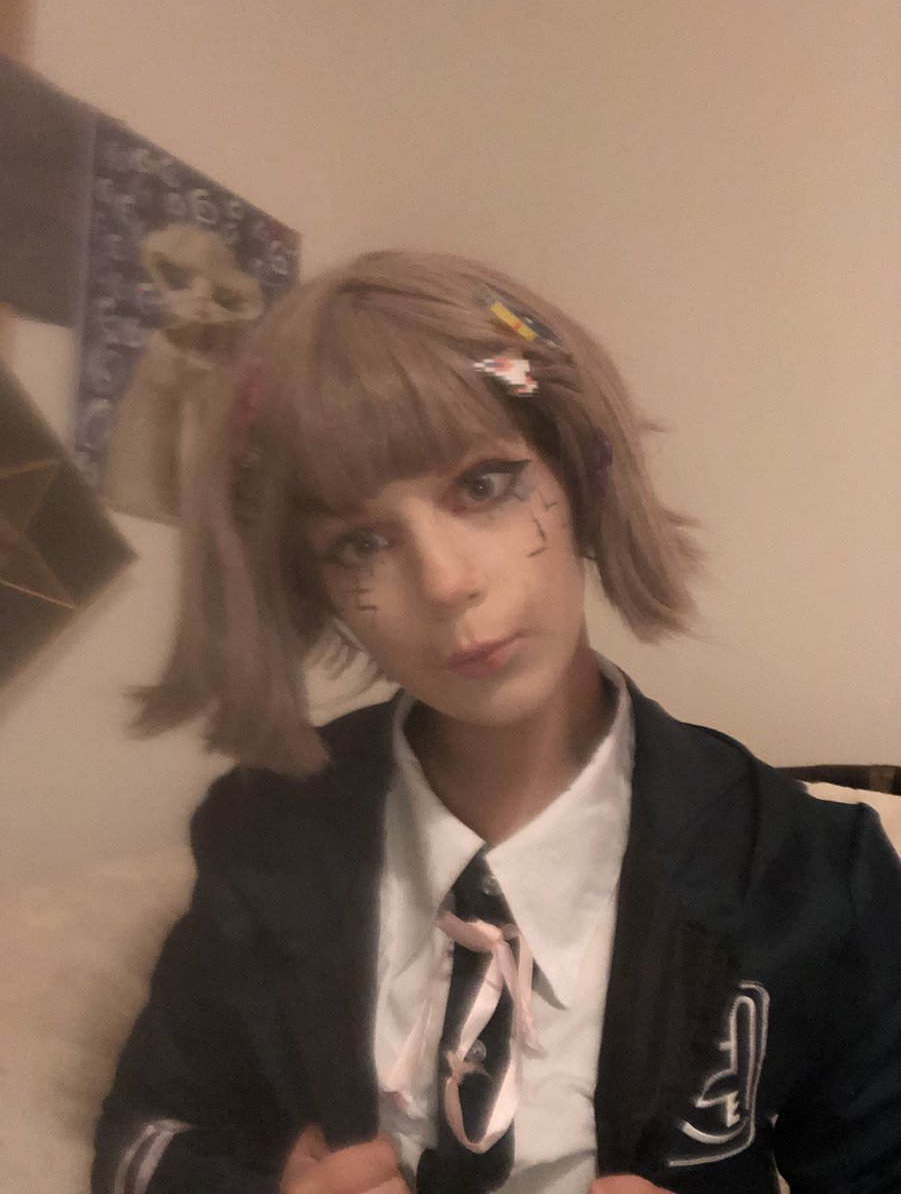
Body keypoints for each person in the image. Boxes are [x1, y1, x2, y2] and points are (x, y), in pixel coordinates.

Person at [92, 251, 901, 1194]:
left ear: (579, 474)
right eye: (359, 542)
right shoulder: (264, 834)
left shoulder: (812, 876)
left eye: (482, 486)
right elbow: (146, 1134)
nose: (444, 582)